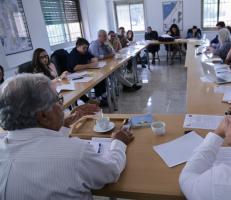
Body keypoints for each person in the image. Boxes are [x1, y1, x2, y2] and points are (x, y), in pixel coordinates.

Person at [0, 73, 134, 199]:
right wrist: (118, 142)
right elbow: (111, 172)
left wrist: (62, 125)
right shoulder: (76, 153)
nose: (62, 106)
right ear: (44, 116)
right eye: (58, 100)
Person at [69, 37, 107, 104]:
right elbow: (75, 67)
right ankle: (98, 99)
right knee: (96, 80)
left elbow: (93, 58)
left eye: (87, 48)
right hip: (75, 77)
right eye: (84, 48)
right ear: (78, 46)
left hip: (85, 73)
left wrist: (93, 59)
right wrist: (89, 65)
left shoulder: (85, 52)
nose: (86, 49)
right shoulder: (73, 54)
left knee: (101, 77)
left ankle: (102, 96)